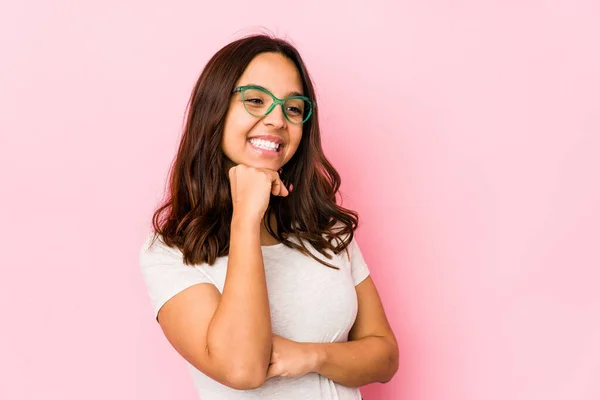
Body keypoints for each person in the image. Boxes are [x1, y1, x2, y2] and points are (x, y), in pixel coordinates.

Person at [139, 34, 399, 400]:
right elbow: (243, 369)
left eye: (293, 108)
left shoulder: (328, 230)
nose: (277, 119)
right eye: (256, 100)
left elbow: (385, 356)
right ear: (215, 109)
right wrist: (246, 215)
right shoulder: (171, 251)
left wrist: (310, 356)